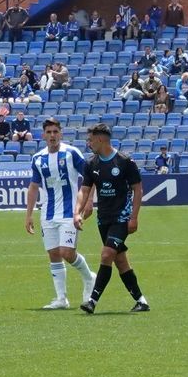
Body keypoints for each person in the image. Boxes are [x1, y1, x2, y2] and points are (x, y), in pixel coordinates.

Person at [23, 119, 97, 310]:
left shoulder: (71, 153)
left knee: (67, 252)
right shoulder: (38, 158)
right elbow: (33, 187)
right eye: (49, 132)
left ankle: (89, 278)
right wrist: (28, 214)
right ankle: (61, 298)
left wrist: (89, 201)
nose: (52, 135)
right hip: (47, 213)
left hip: (70, 212)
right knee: (54, 254)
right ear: (43, 135)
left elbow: (90, 177)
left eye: (56, 131)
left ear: (61, 133)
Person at [75, 123, 149, 314]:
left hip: (122, 218)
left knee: (107, 254)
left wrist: (134, 217)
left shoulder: (125, 162)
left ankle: (92, 300)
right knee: (120, 261)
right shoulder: (91, 164)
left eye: (90, 140)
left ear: (100, 139)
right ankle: (141, 301)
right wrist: (78, 212)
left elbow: (138, 189)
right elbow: (84, 191)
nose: (88, 143)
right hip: (103, 219)